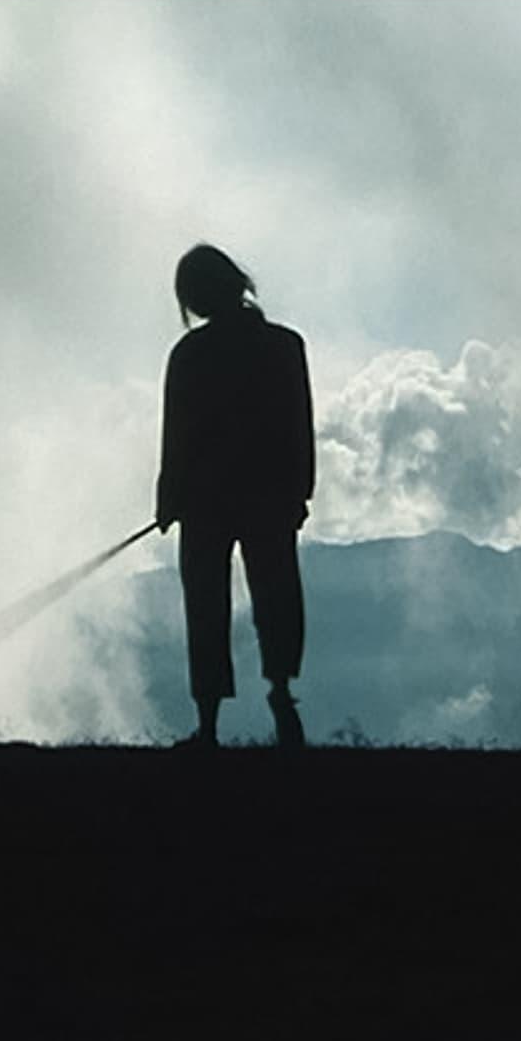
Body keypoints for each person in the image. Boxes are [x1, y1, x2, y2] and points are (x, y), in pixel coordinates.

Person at [156, 244, 314, 750]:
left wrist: (169, 496)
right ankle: (282, 694)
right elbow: (299, 425)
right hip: (269, 493)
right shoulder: (284, 346)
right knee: (277, 594)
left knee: (205, 604)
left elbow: (175, 435)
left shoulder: (190, 355)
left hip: (204, 499)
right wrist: (299, 491)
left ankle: (208, 725)